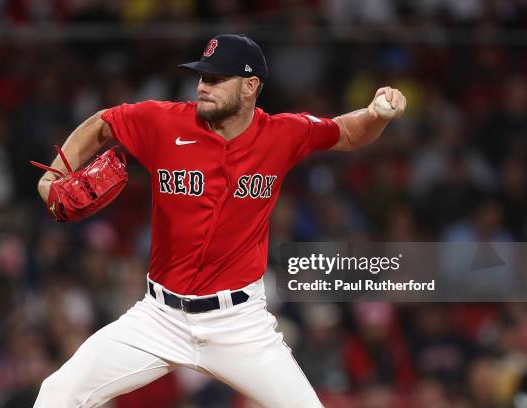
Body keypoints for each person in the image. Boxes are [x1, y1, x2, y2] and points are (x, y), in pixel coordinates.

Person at [33, 34, 406, 408]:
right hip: (159, 317)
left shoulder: (282, 133)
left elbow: (346, 132)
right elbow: (103, 123)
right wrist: (53, 176)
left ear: (250, 86)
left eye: (215, 79)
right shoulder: (162, 121)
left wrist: (375, 115)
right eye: (201, 77)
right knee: (58, 394)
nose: (202, 86)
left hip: (240, 325)